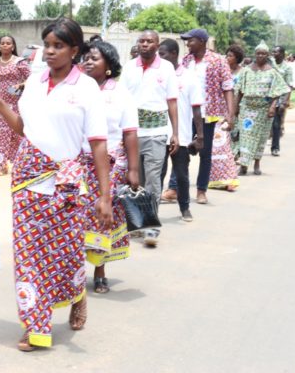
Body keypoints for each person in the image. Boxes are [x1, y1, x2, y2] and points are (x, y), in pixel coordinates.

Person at [0, 18, 112, 351]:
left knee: (66, 254)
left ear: (75, 50)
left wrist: (105, 197)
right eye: (48, 44)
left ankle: (77, 295)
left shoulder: (86, 89)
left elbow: (97, 144)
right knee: (28, 255)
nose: (50, 51)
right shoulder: (35, 83)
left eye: (58, 46)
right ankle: (36, 324)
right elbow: (24, 128)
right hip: (28, 181)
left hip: (66, 186)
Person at [80, 40, 140, 292]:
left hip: (110, 167)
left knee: (102, 217)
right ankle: (75, 270)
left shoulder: (120, 94)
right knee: (78, 218)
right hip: (79, 164)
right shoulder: (77, 90)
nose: (88, 61)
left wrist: (133, 170)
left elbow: (130, 133)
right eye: (86, 58)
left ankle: (100, 269)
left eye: (95, 58)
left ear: (108, 66)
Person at [120, 30, 178, 247]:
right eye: (142, 41)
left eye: (149, 41)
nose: (145, 44)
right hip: (132, 132)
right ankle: (137, 223)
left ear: (157, 44)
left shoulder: (167, 68)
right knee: (135, 181)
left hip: (157, 132)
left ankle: (151, 227)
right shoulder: (128, 67)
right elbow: (122, 100)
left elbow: (172, 101)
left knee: (153, 181)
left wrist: (175, 133)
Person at [164, 28, 234, 206]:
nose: (187, 44)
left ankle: (201, 190)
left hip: (207, 113)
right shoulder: (186, 61)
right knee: (180, 149)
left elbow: (227, 88)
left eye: (191, 40)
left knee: (205, 153)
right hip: (186, 113)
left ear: (202, 41)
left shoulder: (218, 61)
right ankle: (174, 188)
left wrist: (230, 114)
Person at [158, 39, 204, 222]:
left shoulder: (188, 77)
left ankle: (185, 208)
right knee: (157, 175)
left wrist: (199, 136)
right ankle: (152, 212)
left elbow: (196, 108)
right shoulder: (158, 75)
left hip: (181, 135)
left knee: (182, 175)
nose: (159, 58)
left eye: (163, 54)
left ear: (174, 54)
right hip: (159, 134)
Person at [234, 41, 289, 175]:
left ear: (267, 55)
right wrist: (236, 107)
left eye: (264, 54)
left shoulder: (272, 72)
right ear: (255, 54)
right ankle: (244, 164)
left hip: (264, 109)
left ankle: (257, 163)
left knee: (261, 137)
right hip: (247, 107)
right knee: (246, 136)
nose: (260, 56)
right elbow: (239, 90)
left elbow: (278, 90)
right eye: (258, 53)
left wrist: (272, 107)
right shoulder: (246, 70)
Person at [0, 35, 31, 175]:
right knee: (3, 133)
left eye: (8, 43)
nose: (5, 45)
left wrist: (21, 85)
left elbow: (32, 80)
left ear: (13, 46)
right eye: (3, 43)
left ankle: (20, 163)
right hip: (1, 104)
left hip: (18, 103)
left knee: (18, 135)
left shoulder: (20, 63)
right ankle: (2, 165)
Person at [205, 45, 243, 191]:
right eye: (226, 55)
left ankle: (228, 178)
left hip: (225, 112)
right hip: (212, 111)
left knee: (223, 146)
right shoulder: (216, 71)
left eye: (230, 56)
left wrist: (231, 114)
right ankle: (212, 178)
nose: (227, 58)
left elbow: (232, 94)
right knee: (212, 148)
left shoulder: (240, 72)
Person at [270, 45, 293, 156]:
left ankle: (275, 148)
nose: (274, 54)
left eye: (276, 52)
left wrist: (285, 102)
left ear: (283, 54)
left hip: (279, 97)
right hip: (266, 96)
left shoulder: (287, 68)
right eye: (273, 52)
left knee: (276, 125)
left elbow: (289, 85)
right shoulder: (269, 64)